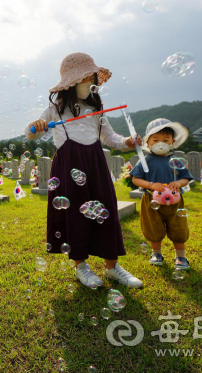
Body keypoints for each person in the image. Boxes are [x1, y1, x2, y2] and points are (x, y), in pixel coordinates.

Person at [25, 52, 143, 289]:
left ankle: (113, 267)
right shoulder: (55, 109)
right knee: (75, 215)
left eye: (92, 76)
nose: (91, 80)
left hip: (95, 162)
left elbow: (109, 137)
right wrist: (34, 127)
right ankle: (81, 267)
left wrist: (127, 142)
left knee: (106, 210)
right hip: (69, 165)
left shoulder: (96, 107)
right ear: (72, 81)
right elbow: (31, 134)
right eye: (86, 76)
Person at [130, 118, 194, 270]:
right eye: (156, 139)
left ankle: (180, 256)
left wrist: (178, 183)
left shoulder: (176, 160)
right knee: (153, 227)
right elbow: (136, 179)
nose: (161, 143)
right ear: (148, 142)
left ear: (173, 142)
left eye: (165, 140)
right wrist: (151, 185)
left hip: (175, 202)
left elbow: (186, 178)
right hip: (151, 201)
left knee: (178, 227)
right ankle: (156, 253)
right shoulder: (145, 161)